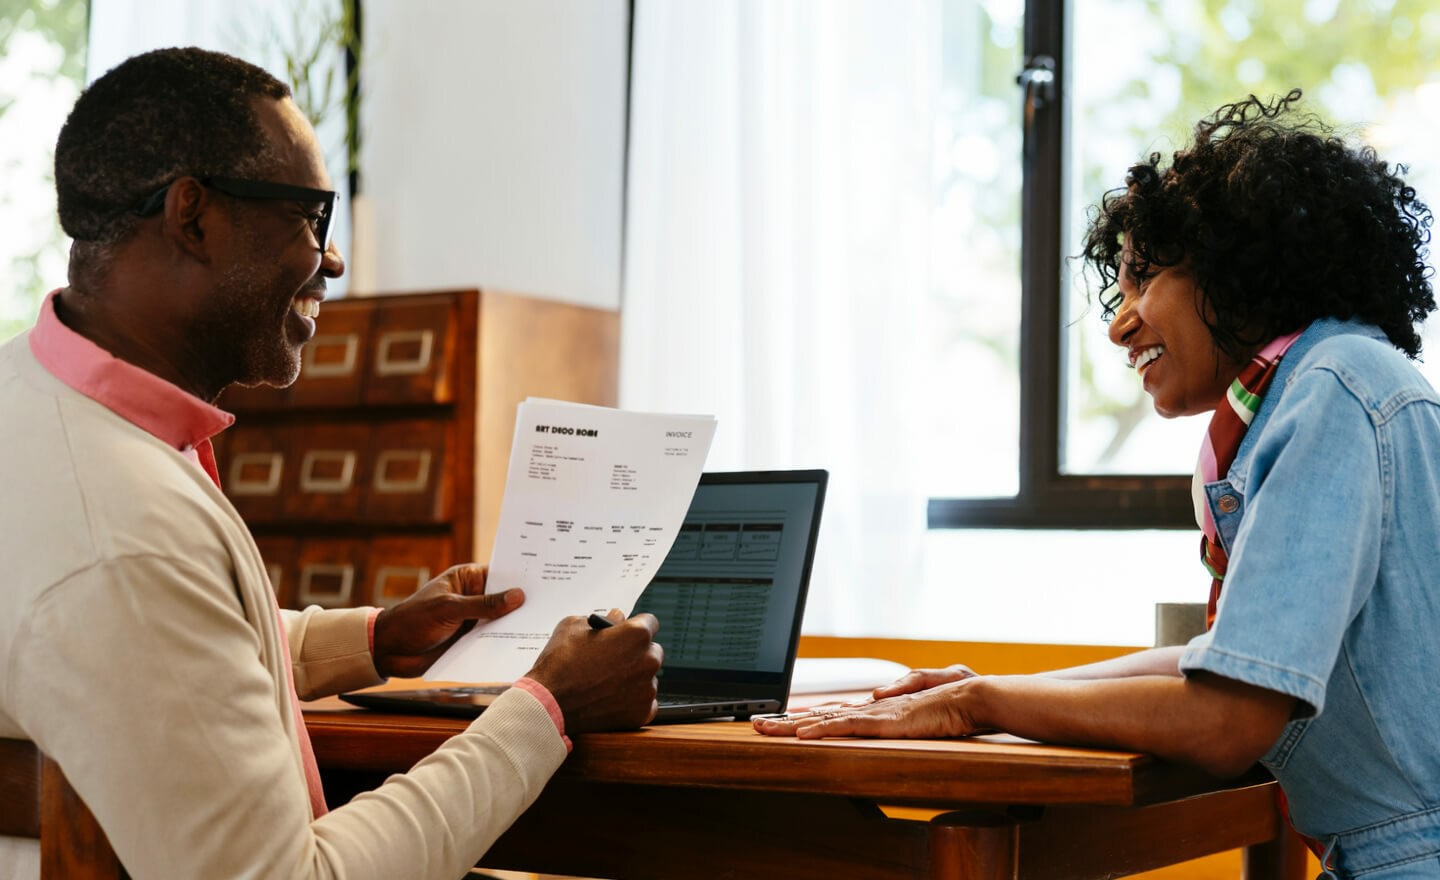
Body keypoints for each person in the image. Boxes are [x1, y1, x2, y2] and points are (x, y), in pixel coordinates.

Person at [0, 47, 663, 880]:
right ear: (193, 218)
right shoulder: (123, 531)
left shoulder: (35, 407)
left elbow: (165, 644)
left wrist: (378, 637)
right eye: (310, 216)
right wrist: (549, 707)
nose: (333, 259)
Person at [756, 89, 1440, 876]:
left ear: (1238, 266)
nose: (1119, 323)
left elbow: (1228, 716)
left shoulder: (1331, 392)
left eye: (1143, 278)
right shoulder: (1332, 381)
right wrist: (988, 686)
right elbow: (1218, 662)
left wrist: (980, 704)